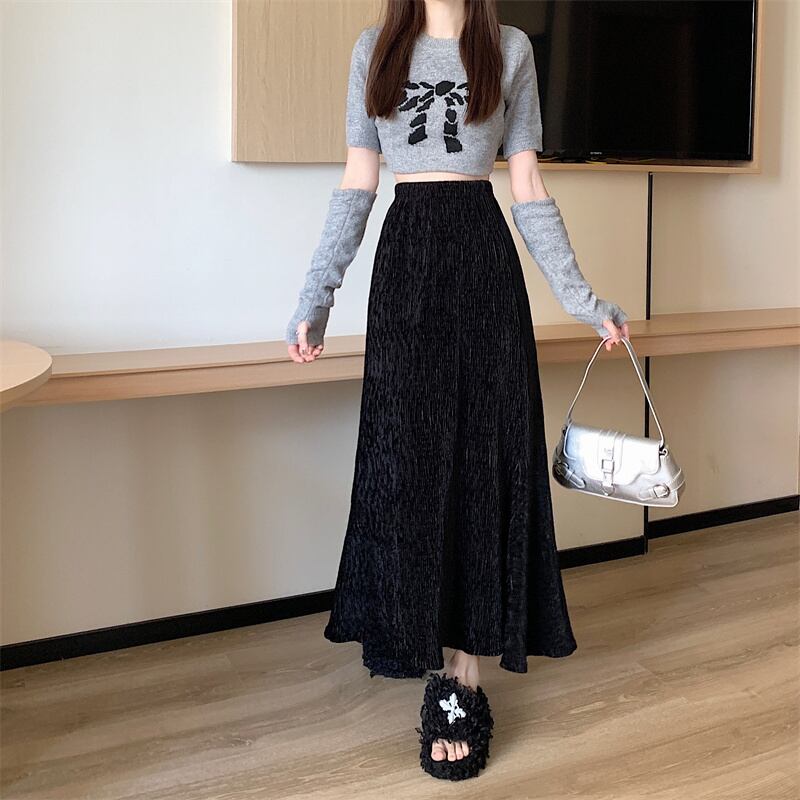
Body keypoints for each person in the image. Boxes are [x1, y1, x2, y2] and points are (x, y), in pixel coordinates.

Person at [286, 0, 630, 781]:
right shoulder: (375, 49)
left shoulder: (508, 50)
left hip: (484, 267)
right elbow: (358, 181)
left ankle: (462, 675)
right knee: (409, 470)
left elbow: (528, 185)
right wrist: (316, 296)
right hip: (406, 269)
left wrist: (582, 299)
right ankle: (423, 644)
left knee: (482, 467)